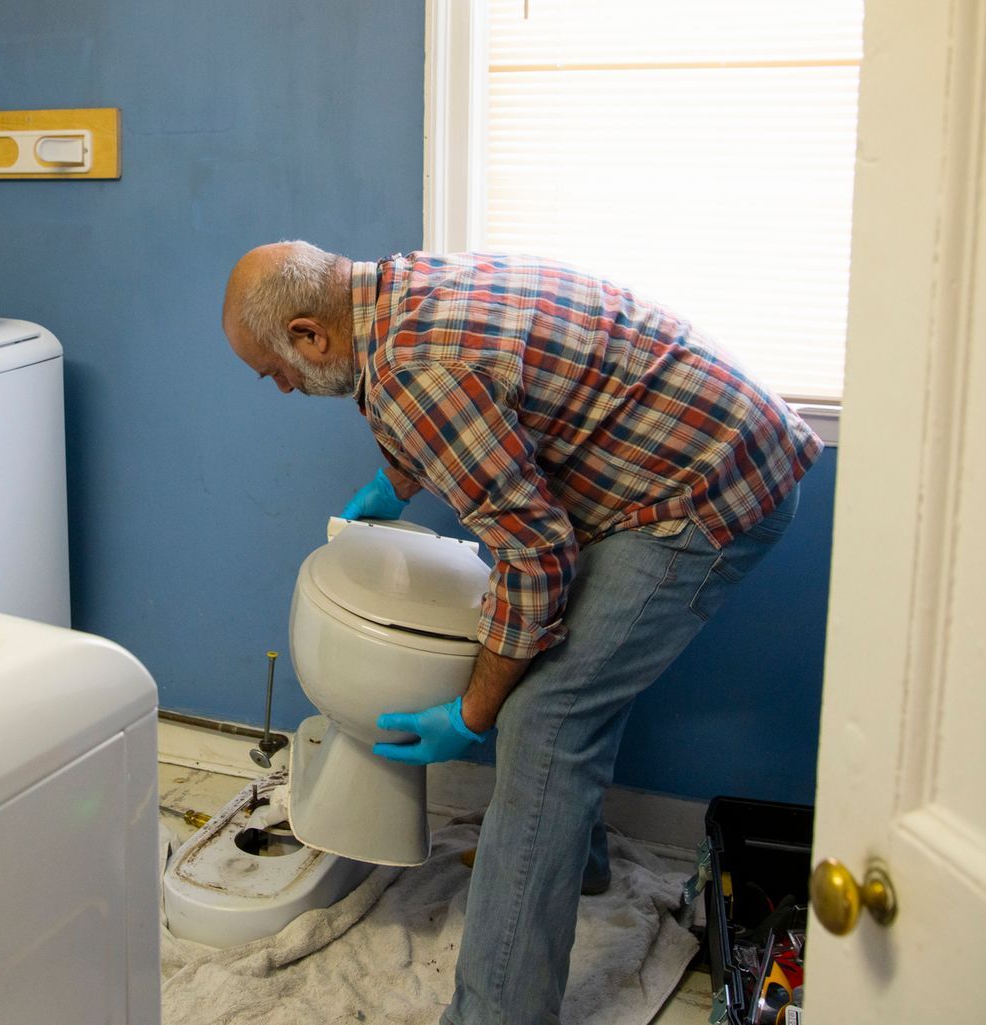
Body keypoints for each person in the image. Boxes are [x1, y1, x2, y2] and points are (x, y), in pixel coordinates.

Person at [220, 241, 820, 1025]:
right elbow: (464, 404)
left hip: (704, 488)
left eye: (275, 368)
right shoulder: (392, 291)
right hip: (667, 448)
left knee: (544, 715)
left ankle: (495, 1013)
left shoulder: (416, 373)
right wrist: (394, 483)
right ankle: (571, 870)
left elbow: (537, 560)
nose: (283, 386)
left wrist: (472, 713)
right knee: (559, 676)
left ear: (309, 334)